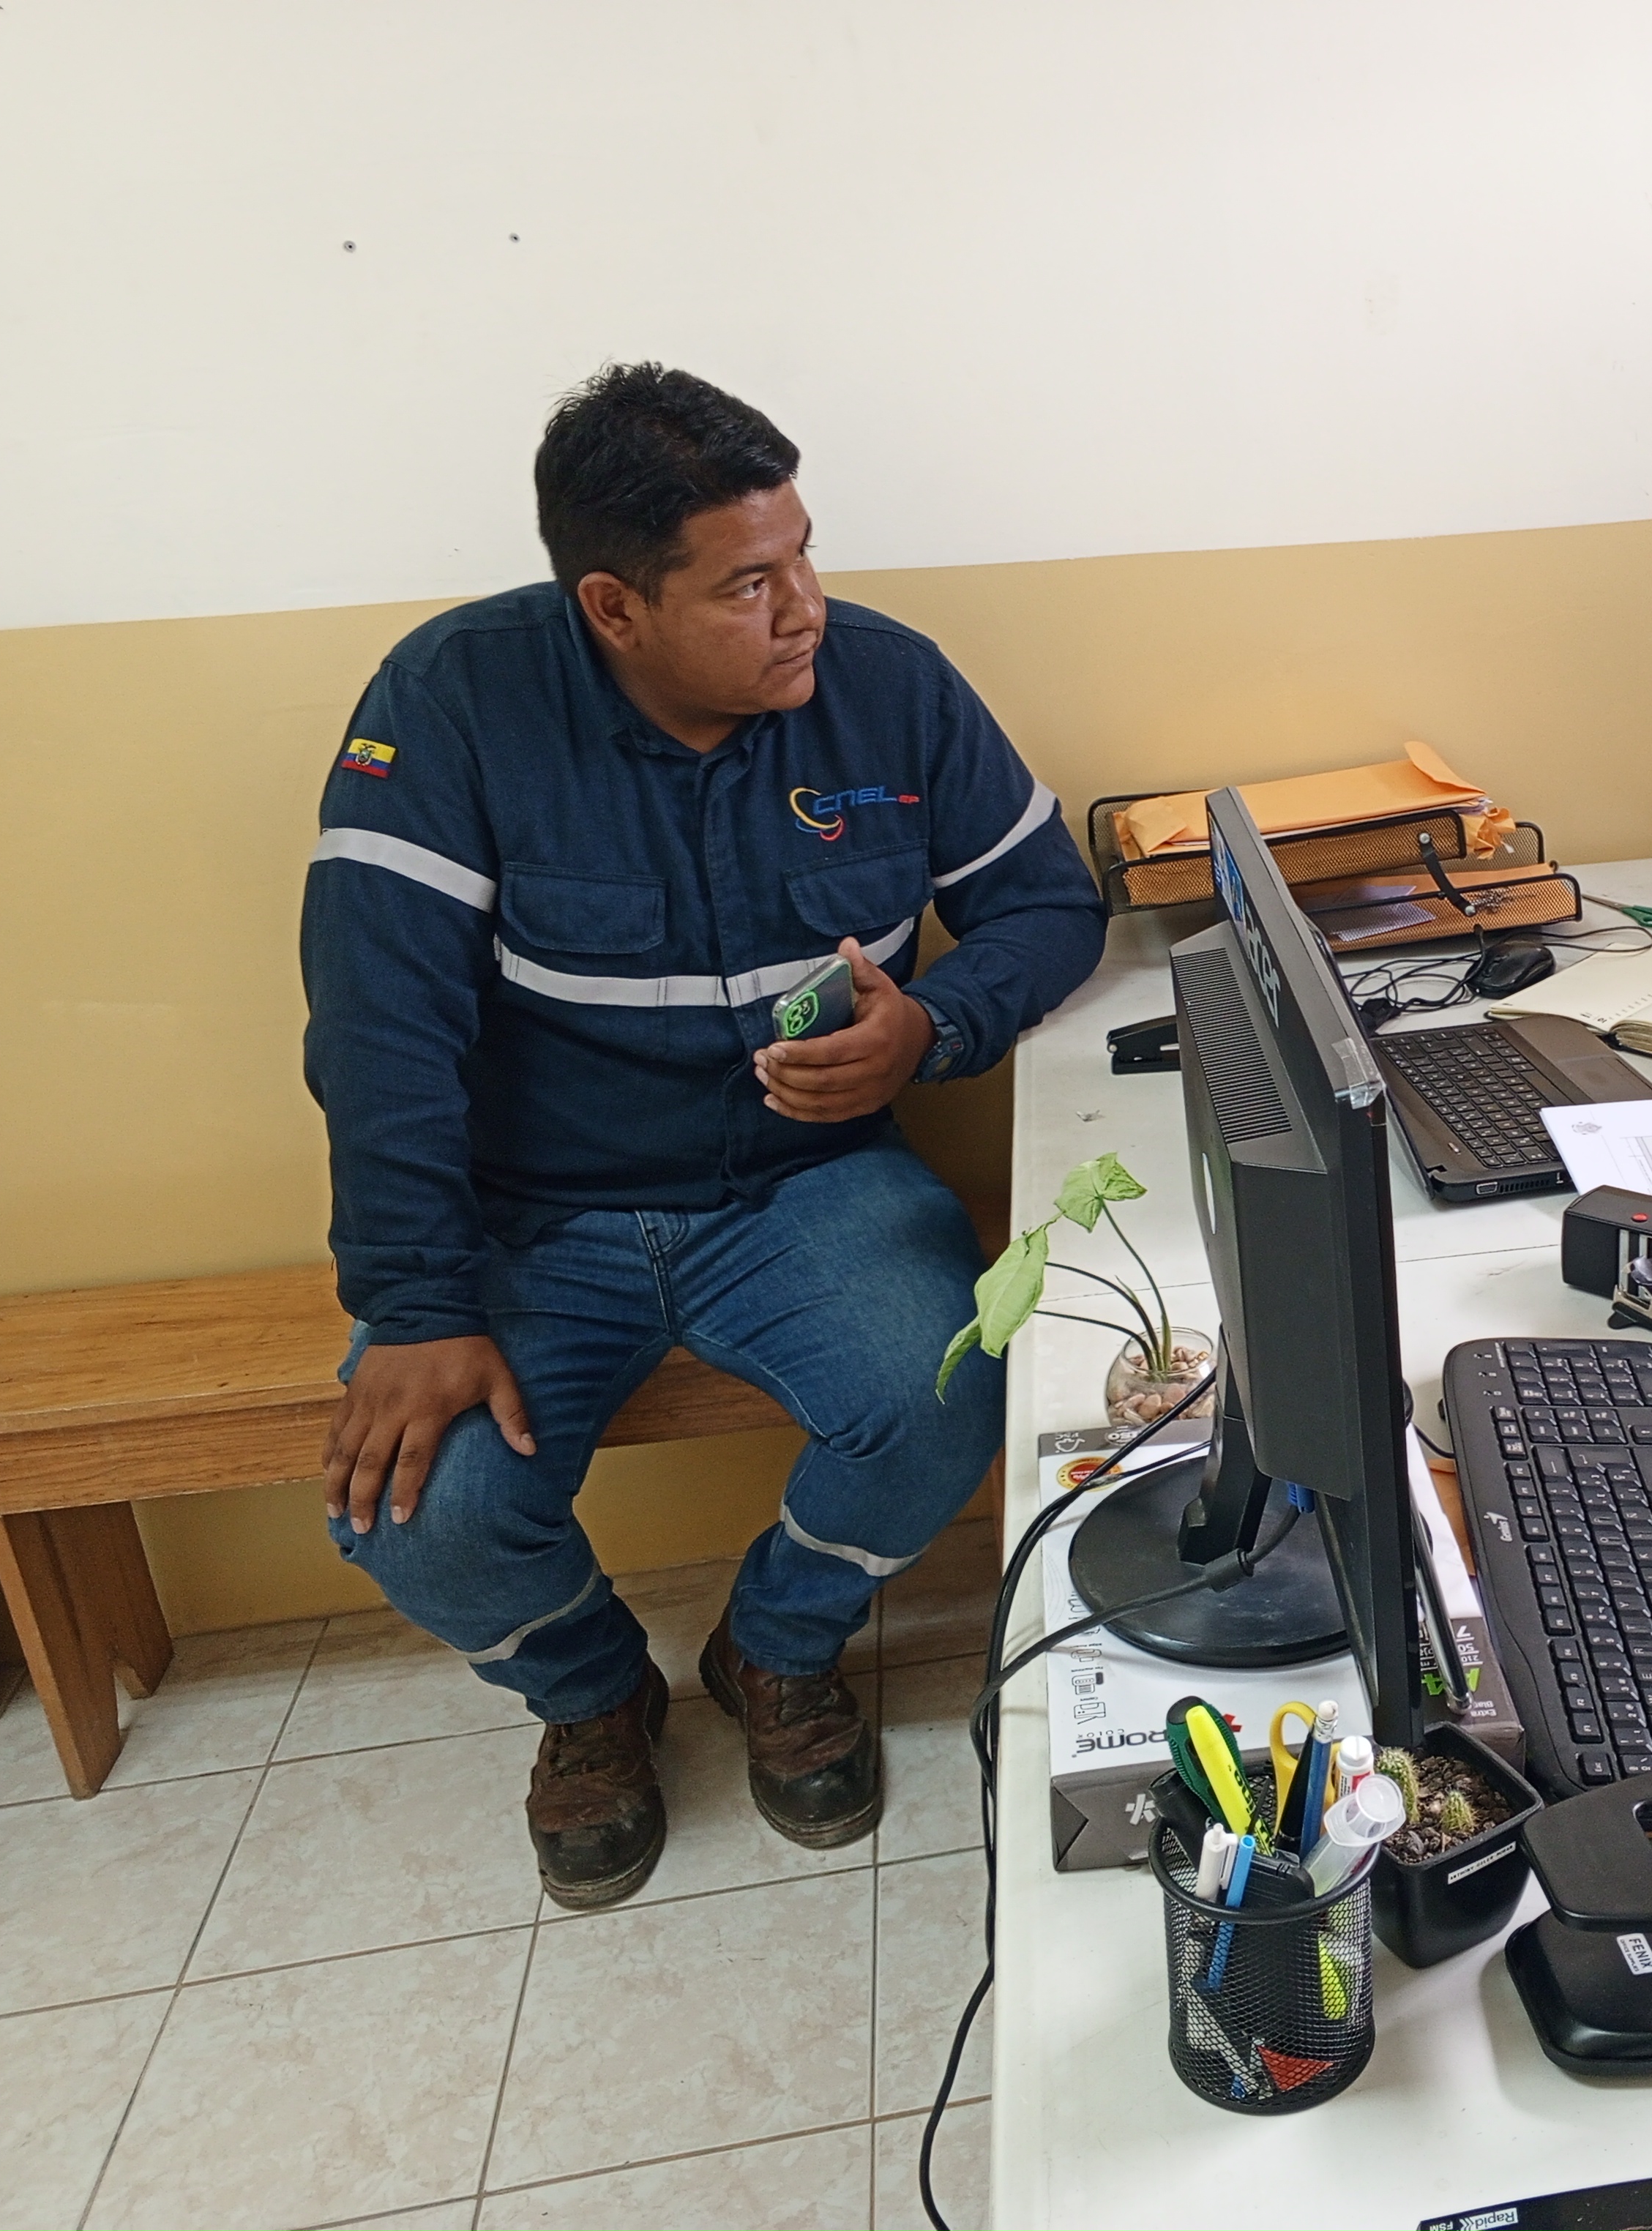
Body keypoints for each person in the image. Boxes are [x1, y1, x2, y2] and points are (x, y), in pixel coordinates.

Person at [302, 365, 1105, 1907]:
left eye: (803, 554)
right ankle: (593, 1694)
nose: (805, 608)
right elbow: (378, 1031)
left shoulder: (890, 684)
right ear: (614, 607)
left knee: (954, 1383)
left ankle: (777, 1644)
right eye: (749, 583)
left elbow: (1046, 905)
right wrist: (416, 1306)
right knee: (417, 1515)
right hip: (537, 1215)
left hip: (809, 1190)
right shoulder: (452, 702)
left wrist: (930, 1029)